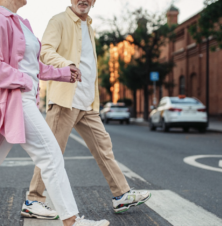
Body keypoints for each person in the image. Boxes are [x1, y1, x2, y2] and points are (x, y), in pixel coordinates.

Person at [0, 0, 110, 226]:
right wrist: (25, 80)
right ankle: (72, 221)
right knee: (51, 156)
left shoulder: (20, 22)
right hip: (16, 99)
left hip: (22, 98)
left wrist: (64, 73)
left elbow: (33, 67)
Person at [22, 0, 151, 219]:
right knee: (51, 152)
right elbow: (45, 52)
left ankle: (121, 195)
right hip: (65, 100)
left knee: (104, 148)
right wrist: (66, 64)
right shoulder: (59, 21)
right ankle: (33, 200)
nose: (83, 0)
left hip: (88, 103)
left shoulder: (89, 26)